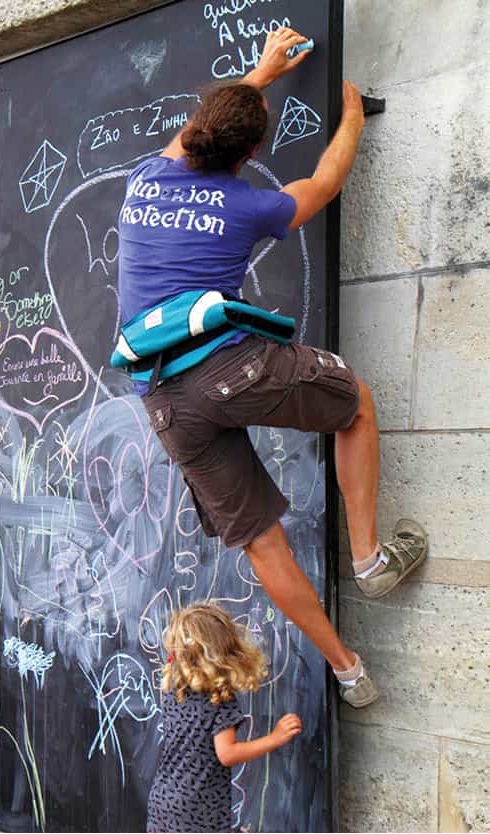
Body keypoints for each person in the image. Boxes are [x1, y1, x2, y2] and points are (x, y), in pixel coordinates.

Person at [115, 26, 427, 708]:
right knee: (353, 404)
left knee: (260, 544)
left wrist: (257, 73)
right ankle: (370, 558)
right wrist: (349, 119)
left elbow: (201, 126)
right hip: (230, 368)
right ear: (252, 153)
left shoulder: (145, 178)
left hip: (163, 399)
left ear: (196, 136)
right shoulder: (248, 204)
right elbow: (323, 181)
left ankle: (348, 671)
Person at [146, 604, 300, 832]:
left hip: (163, 799)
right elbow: (227, 754)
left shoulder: (172, 687)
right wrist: (275, 738)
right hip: (199, 807)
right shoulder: (220, 699)